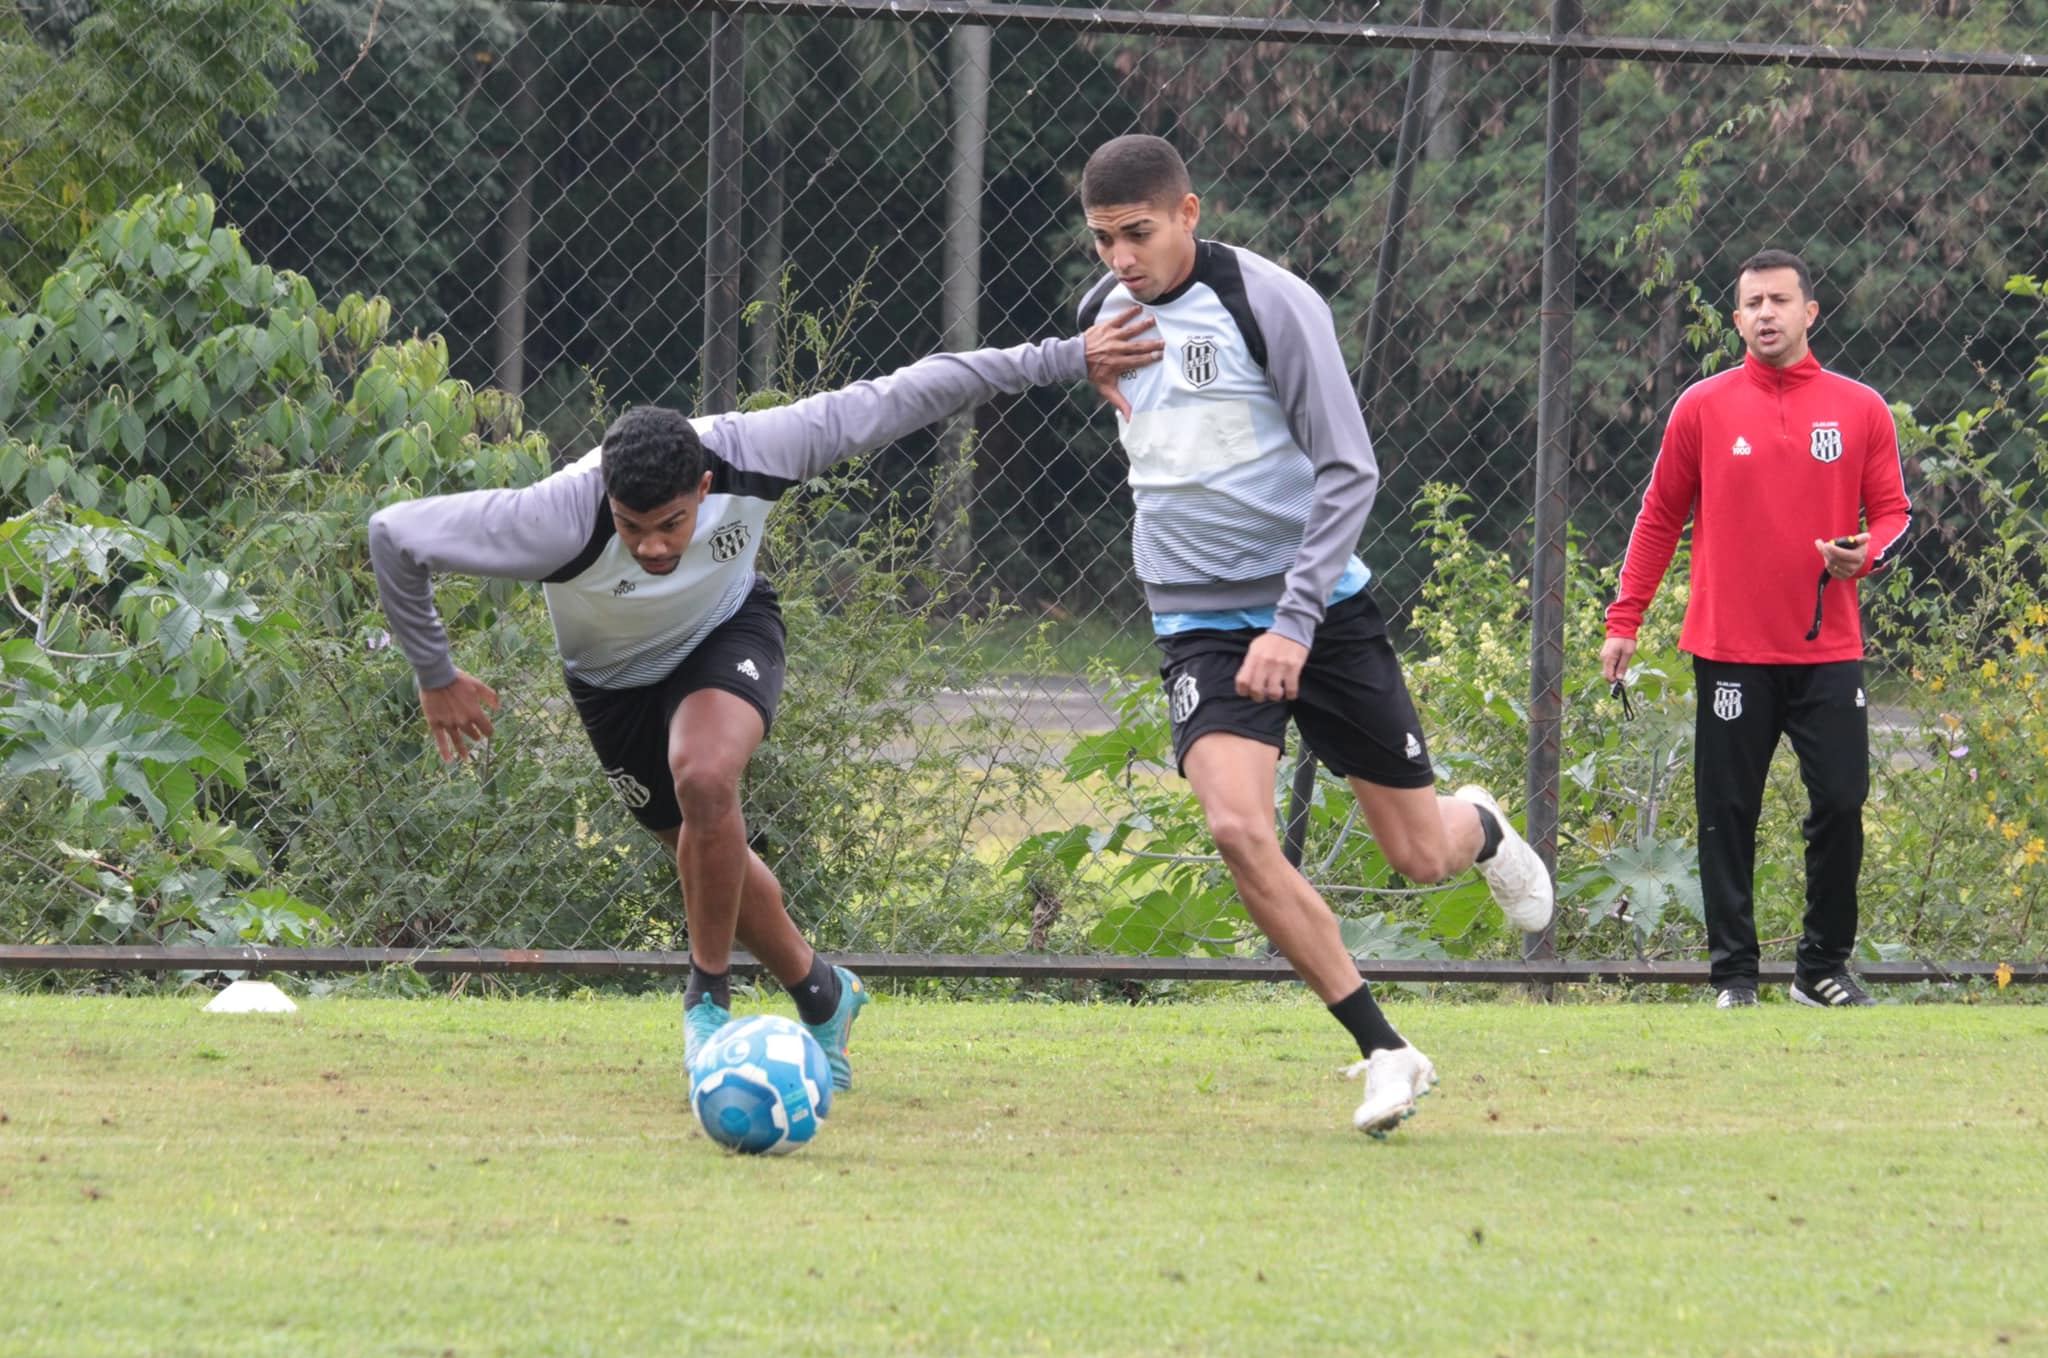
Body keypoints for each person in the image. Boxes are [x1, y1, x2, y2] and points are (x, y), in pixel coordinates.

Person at [369, 317, 1163, 1088]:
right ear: (607, 497)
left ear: (705, 488)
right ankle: (823, 992)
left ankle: (706, 998)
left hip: (725, 630)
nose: (651, 546)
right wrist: (435, 673)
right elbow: (393, 533)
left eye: (672, 524)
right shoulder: (551, 517)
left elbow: (914, 389)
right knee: (713, 859)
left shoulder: (761, 448)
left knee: (706, 777)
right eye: (631, 525)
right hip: (611, 688)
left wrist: (1067, 355)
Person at [1073, 134, 1554, 1136]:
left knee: (1419, 855)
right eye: (1101, 240)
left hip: (1317, 612)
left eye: (1137, 233)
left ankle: (1482, 827)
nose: (1119, 259)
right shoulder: (1100, 319)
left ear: (1188, 214)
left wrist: (1292, 622)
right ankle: (1383, 1047)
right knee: (1238, 830)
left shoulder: (1271, 303)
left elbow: (1348, 469)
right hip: (1195, 617)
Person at [1602, 248, 1913, 1010]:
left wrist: (1862, 555)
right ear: (1737, 319)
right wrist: (1625, 618)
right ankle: (1734, 977)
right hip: (1731, 649)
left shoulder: (1860, 408)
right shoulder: (1702, 408)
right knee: (1727, 812)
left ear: (1811, 312)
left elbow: (1895, 515)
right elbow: (1659, 517)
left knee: (1842, 800)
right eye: (1753, 303)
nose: (1766, 313)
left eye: (1780, 300)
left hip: (1828, 649)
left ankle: (1822, 969)